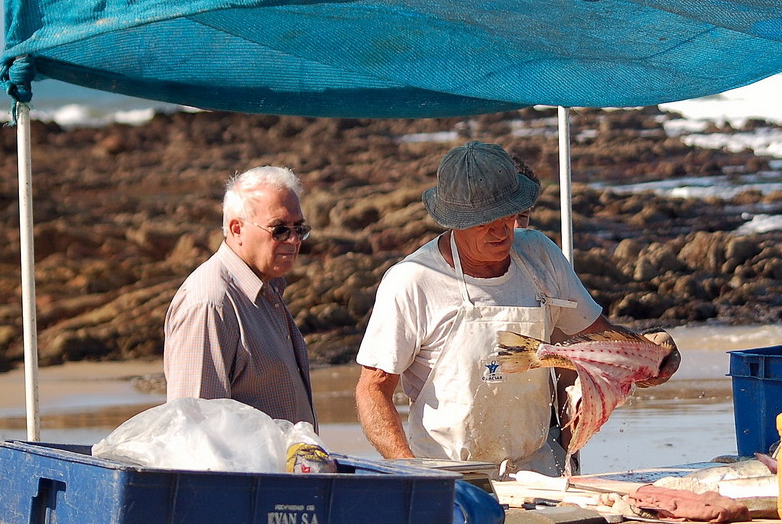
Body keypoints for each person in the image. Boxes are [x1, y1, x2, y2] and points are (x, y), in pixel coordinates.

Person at [354, 141, 679, 476]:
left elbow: (596, 335)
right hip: (449, 476)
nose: (501, 231)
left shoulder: (539, 255)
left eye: (507, 215)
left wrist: (645, 355)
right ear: (454, 221)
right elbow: (373, 389)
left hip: (536, 469)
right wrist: (409, 469)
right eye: (483, 222)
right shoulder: (414, 280)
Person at [163, 165, 317, 428]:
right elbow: (196, 428)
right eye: (279, 229)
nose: (293, 240)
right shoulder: (210, 304)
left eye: (299, 228)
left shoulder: (265, 289)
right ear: (237, 229)